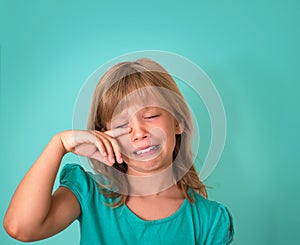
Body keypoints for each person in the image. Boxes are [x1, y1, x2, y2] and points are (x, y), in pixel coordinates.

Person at [4, 58, 234, 244]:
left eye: (151, 116)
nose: (139, 133)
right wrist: (58, 145)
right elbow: (21, 228)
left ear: (177, 122)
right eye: (123, 126)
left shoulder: (210, 220)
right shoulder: (89, 193)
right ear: (103, 135)